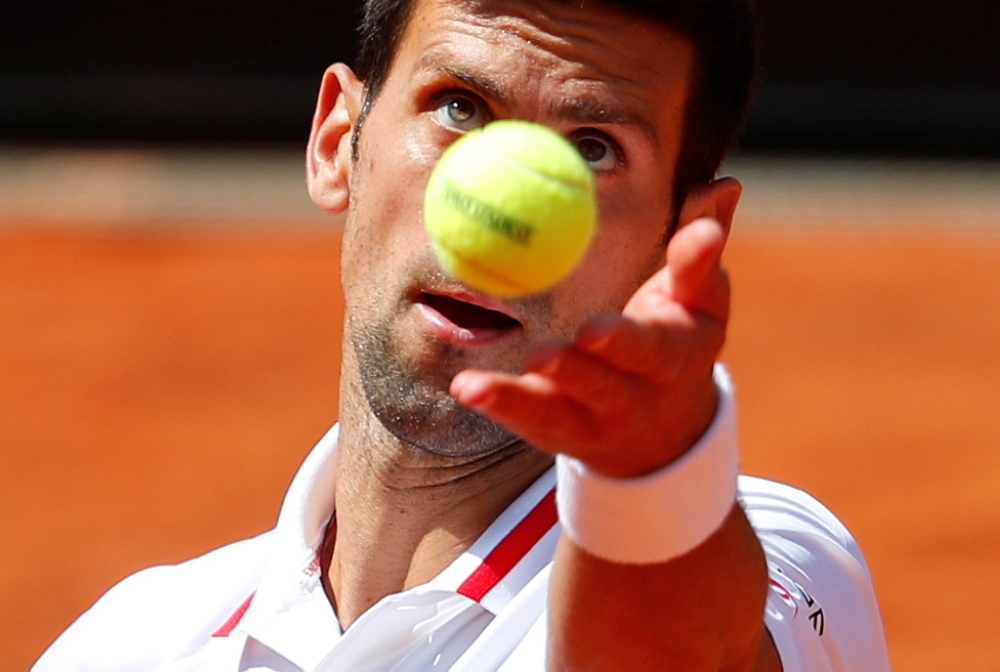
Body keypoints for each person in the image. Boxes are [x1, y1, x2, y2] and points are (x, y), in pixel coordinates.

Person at [34, 0, 891, 669]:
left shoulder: (780, 556)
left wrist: (653, 471)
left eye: (593, 149)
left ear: (684, 233)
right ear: (339, 140)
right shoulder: (131, 645)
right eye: (459, 107)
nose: (497, 219)